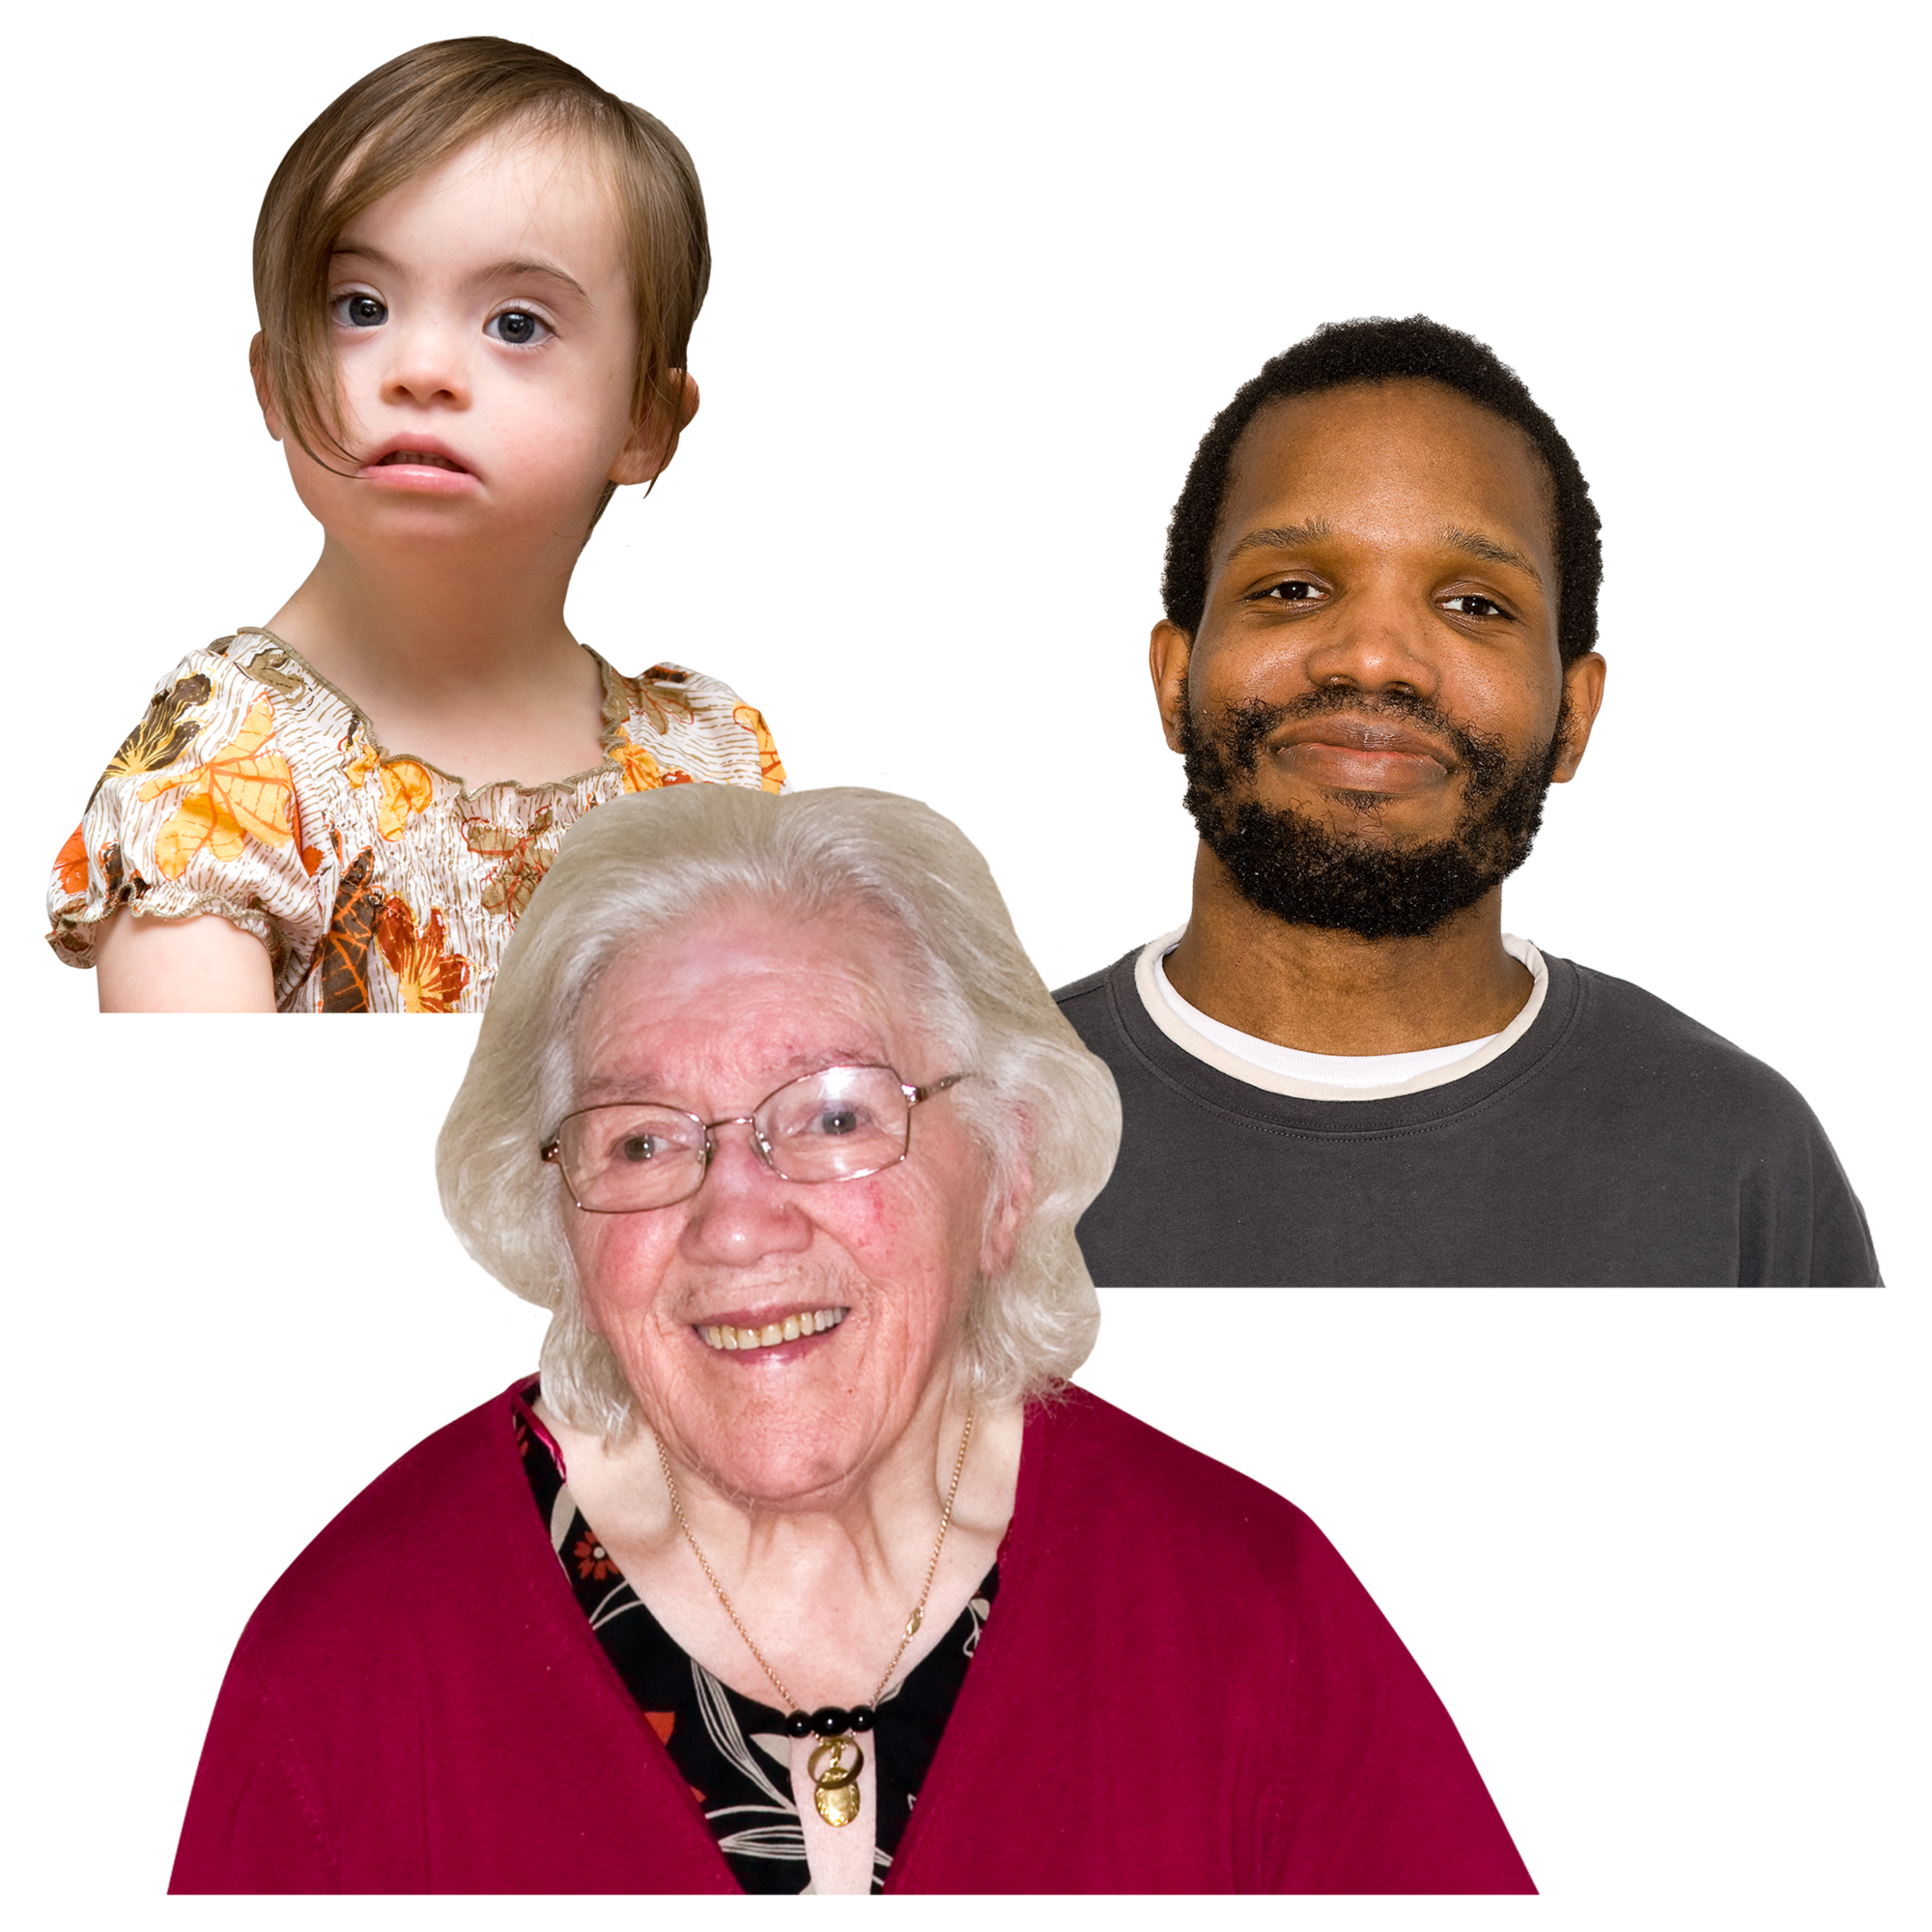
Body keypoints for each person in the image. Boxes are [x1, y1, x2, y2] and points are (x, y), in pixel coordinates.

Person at [167, 784, 1537, 1894]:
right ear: (559, 1222)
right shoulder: (351, 1662)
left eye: (833, 1115)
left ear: (1006, 1171)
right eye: (640, 1142)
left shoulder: (1253, 1616)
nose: (735, 1223)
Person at [1055, 314, 1881, 1291]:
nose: (1373, 658)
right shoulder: (957, 1126)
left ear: (1573, 717)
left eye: (1473, 605)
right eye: (1292, 589)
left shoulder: (1739, 1151)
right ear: (1170, 681)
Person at [43, 38, 787, 1013]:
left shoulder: (715, 768)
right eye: (360, 307)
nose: (420, 369)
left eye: (516, 323)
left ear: (644, 423)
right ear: (274, 385)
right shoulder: (225, 776)